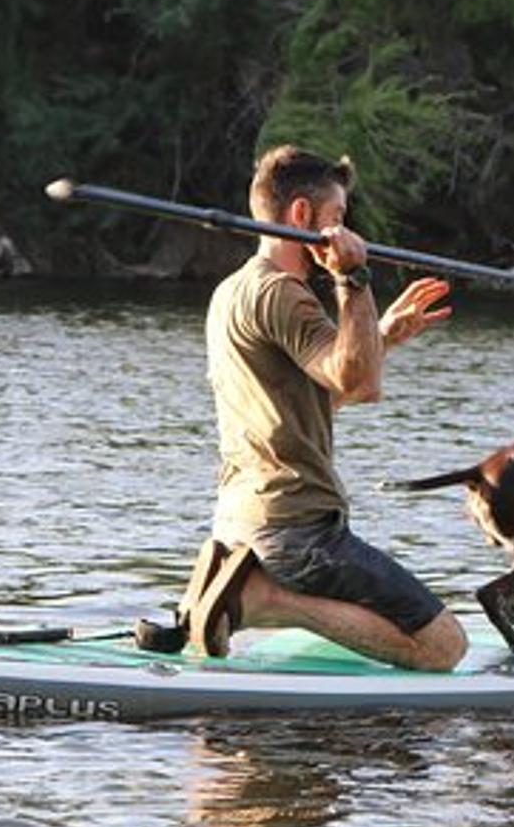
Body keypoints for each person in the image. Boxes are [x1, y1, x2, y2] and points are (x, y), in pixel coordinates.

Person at [181, 145, 468, 672]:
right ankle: (262, 599)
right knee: (444, 646)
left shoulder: (233, 291)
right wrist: (352, 278)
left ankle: (245, 587)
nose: (345, 230)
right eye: (337, 216)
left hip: (242, 521)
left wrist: (382, 337)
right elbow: (359, 383)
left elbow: (317, 400)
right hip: (296, 528)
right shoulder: (284, 294)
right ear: (300, 214)